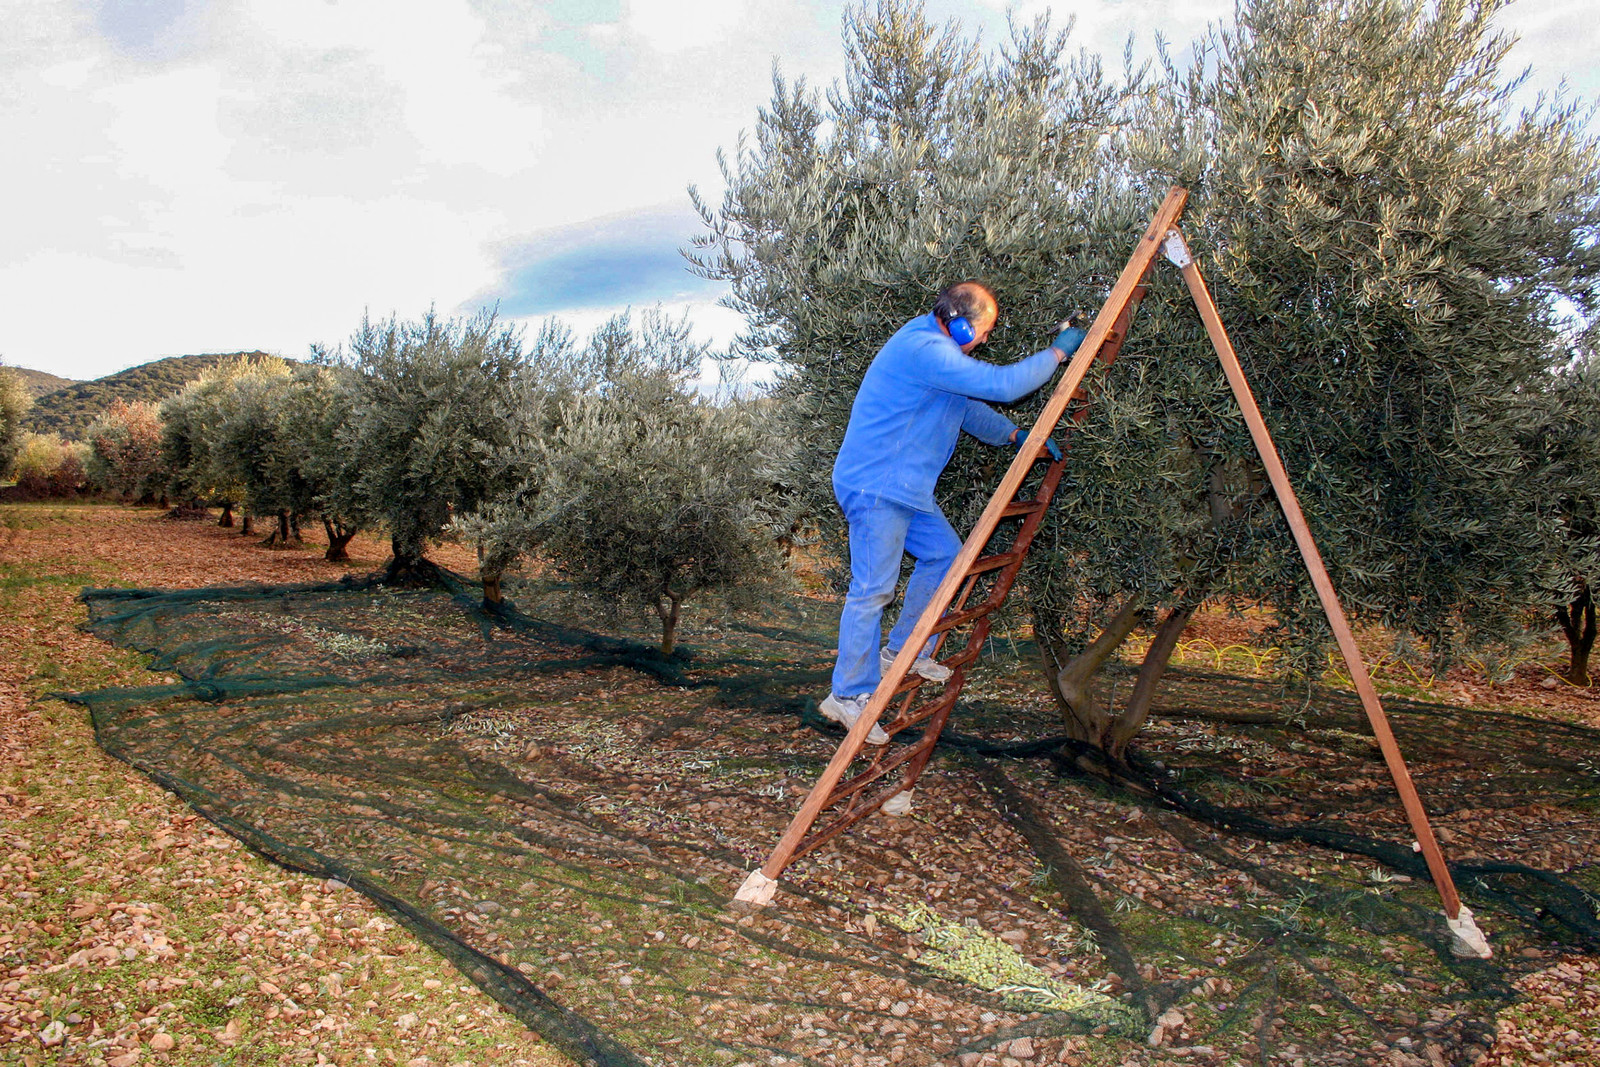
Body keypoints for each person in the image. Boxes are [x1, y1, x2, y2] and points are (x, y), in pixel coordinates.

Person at [823, 280, 1085, 744]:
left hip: (905, 487)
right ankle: (847, 693)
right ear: (961, 325)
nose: (984, 340)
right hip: (877, 483)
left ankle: (902, 650)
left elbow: (966, 408)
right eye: (984, 331)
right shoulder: (924, 348)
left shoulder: (936, 354)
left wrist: (1014, 436)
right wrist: (1057, 353)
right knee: (873, 590)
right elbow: (1003, 385)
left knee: (946, 557)